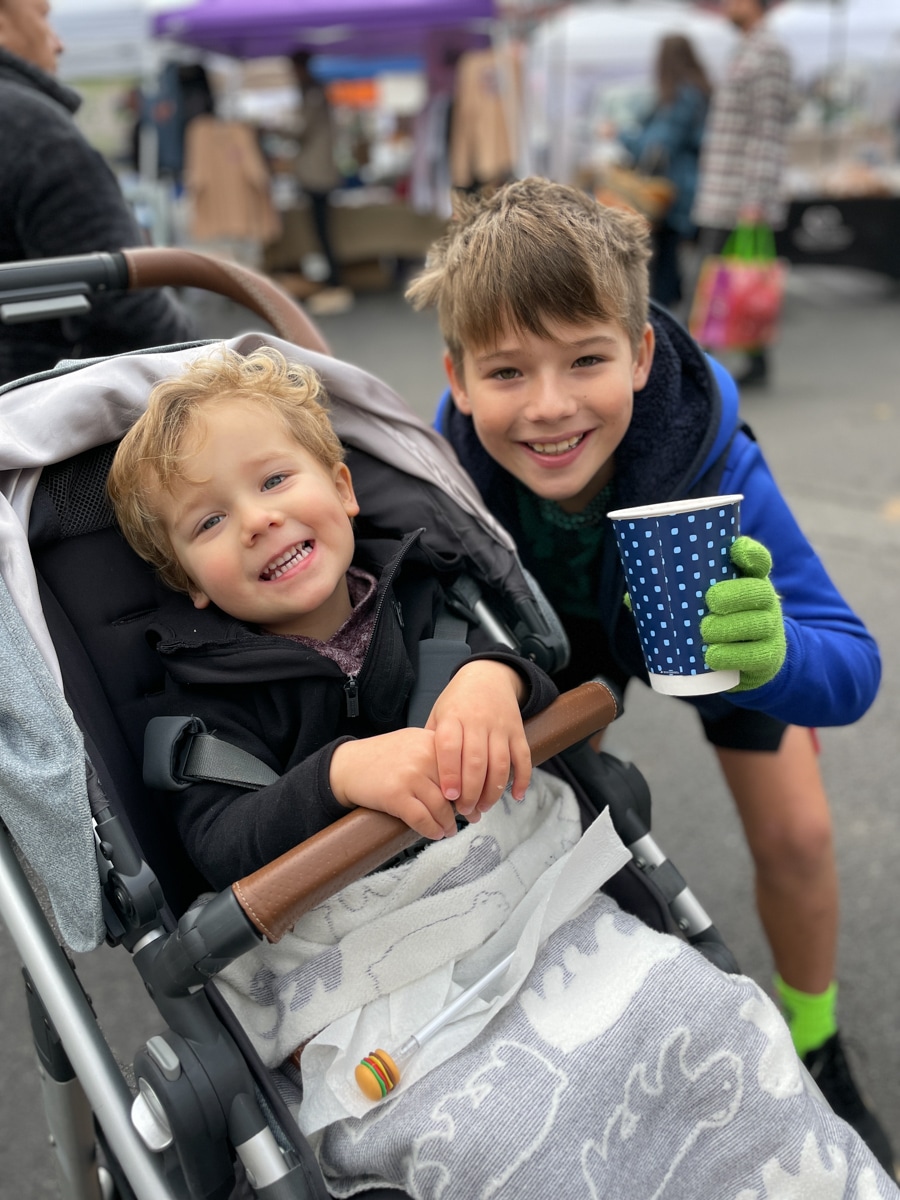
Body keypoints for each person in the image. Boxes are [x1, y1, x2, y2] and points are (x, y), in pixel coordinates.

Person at [105, 343, 899, 1198]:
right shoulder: (199, 700)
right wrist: (337, 775)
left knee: (713, 1014)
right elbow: (217, 842)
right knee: (496, 1140)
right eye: (209, 523)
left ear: (342, 488)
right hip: (376, 993)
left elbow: (528, 671)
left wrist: (496, 677)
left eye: (272, 481)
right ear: (187, 581)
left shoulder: (427, 592)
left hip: (534, 916)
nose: (257, 520)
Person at [409, 176, 895, 1174]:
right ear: (458, 377)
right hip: (555, 645)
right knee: (554, 831)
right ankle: (575, 1036)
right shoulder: (442, 474)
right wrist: (477, 671)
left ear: (639, 356)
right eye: (507, 372)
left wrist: (776, 654)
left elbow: (855, 668)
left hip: (708, 626)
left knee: (798, 835)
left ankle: (815, 1040)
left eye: (586, 360)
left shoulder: (711, 457)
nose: (549, 406)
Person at [0, 0, 194, 386]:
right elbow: (129, 310)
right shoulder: (33, 129)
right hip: (27, 404)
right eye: (42, 17)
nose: (59, 43)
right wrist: (207, 370)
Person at [691, 0, 793, 388]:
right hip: (724, 188)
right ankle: (751, 362)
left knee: (712, 283)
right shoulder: (748, 47)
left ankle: (697, 369)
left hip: (737, 194)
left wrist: (755, 200)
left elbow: (768, 131)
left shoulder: (769, 52)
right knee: (737, 282)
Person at [615, 34, 711, 311]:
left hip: (671, 191)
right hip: (687, 185)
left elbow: (658, 145)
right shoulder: (699, 91)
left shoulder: (681, 95)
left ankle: (665, 322)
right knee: (672, 259)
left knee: (663, 264)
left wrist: (622, 135)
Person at [288, 50, 353, 316]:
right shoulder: (313, 92)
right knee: (321, 228)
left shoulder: (313, 93)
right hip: (318, 172)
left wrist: (270, 128)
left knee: (322, 229)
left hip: (317, 174)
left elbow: (300, 130)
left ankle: (334, 281)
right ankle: (331, 279)